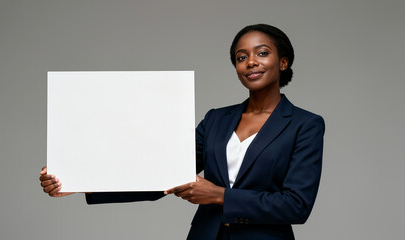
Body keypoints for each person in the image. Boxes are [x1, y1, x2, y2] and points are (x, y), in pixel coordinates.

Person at [40, 23, 325, 240]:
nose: (250, 62)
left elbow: (296, 206)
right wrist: (83, 182)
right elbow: (162, 172)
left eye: (262, 53)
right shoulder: (216, 120)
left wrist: (219, 195)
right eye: (241, 57)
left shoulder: (305, 124)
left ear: (283, 62)